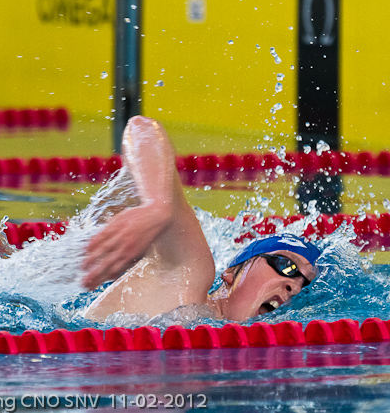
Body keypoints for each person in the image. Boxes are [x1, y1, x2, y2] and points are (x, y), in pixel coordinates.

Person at [82, 116, 320, 322]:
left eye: (305, 284)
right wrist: (157, 206)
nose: (294, 286)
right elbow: (141, 128)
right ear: (231, 272)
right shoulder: (189, 278)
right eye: (285, 265)